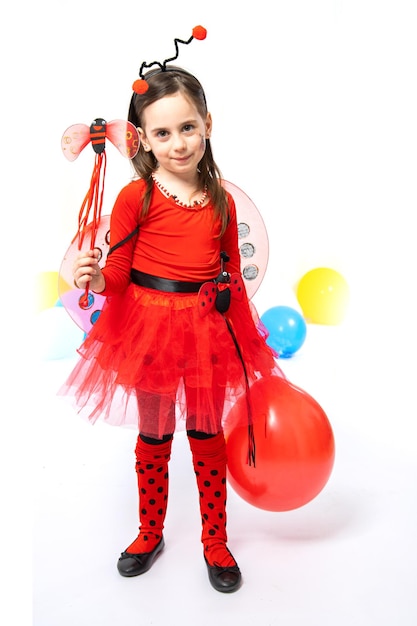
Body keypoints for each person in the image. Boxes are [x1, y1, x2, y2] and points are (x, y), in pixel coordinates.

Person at [61, 28, 284, 594]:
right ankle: (149, 531)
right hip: (150, 330)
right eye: (163, 133)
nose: (179, 143)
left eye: (188, 128)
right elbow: (117, 272)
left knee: (207, 436)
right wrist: (94, 275)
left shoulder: (221, 200)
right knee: (154, 438)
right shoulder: (136, 197)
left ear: (208, 125)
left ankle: (215, 539)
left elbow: (230, 269)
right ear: (144, 139)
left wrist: (236, 325)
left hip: (207, 329)